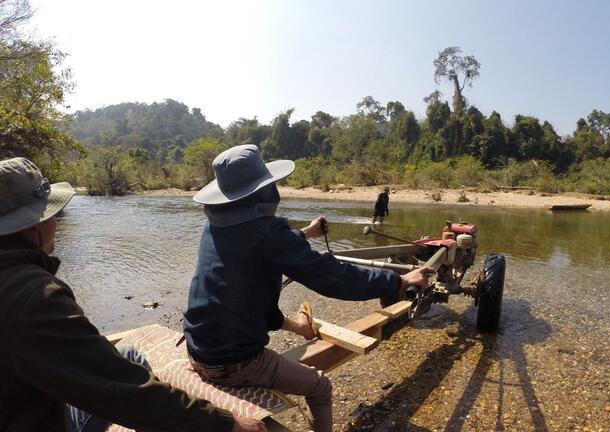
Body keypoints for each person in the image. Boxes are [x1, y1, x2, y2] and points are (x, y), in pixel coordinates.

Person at [0, 157, 264, 432]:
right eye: (52, 215)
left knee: (127, 354)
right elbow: (127, 391)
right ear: (35, 225)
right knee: (129, 377)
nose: (55, 222)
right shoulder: (34, 298)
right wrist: (224, 424)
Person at [183, 145, 431, 432]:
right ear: (263, 192)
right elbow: (333, 278)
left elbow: (261, 246)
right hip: (235, 364)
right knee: (320, 387)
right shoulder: (269, 235)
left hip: (197, 352)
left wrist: (306, 233)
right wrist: (398, 281)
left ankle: (300, 327)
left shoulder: (214, 228)